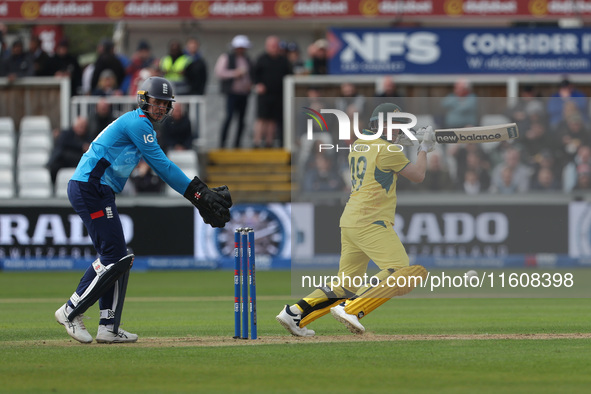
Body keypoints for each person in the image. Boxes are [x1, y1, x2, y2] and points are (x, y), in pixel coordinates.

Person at [54, 76, 233, 344]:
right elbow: (163, 166)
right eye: (156, 102)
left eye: (165, 104)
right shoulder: (138, 123)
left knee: (119, 257)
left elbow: (161, 167)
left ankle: (108, 326)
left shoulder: (142, 125)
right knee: (115, 256)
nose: (160, 108)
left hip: (98, 189)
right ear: (144, 100)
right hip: (89, 187)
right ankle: (70, 310)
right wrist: (199, 194)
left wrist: (198, 195)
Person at [276, 103, 435, 336]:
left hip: (350, 220)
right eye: (395, 126)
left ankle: (294, 312)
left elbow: (381, 156)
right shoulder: (388, 150)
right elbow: (418, 175)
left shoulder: (360, 144)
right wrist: (424, 148)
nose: (398, 131)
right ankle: (351, 309)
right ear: (381, 125)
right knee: (400, 269)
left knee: (347, 285)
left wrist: (402, 143)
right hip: (372, 221)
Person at [253, 35, 292, 148]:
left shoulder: (283, 60)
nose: (274, 48)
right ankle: (257, 142)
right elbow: (255, 75)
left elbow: (289, 75)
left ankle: (269, 142)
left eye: (275, 45)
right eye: (272, 46)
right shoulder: (261, 59)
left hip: (279, 95)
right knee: (261, 118)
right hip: (264, 95)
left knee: (273, 120)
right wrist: (258, 85)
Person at [215, 34, 253, 148]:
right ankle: (223, 143)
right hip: (231, 92)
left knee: (242, 119)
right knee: (229, 117)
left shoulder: (247, 59)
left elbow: (251, 74)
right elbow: (219, 72)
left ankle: (237, 143)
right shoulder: (226, 57)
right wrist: (234, 73)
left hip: (244, 93)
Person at [47, 116, 91, 183]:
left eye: (83, 127)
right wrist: (81, 146)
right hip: (63, 161)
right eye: (80, 126)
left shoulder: (88, 136)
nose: (82, 129)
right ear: (74, 127)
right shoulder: (67, 134)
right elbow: (63, 142)